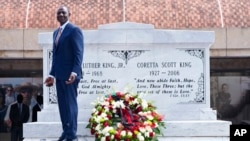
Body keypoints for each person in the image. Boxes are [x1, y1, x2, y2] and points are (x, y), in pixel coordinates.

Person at [44, 5, 84, 141]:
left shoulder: (74, 30)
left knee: (70, 105)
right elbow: (55, 56)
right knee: (62, 106)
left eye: (63, 12)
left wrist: (75, 71)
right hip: (59, 76)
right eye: (58, 12)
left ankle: (72, 135)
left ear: (69, 14)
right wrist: (51, 75)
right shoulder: (55, 33)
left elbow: (79, 53)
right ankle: (66, 131)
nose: (61, 14)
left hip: (70, 76)